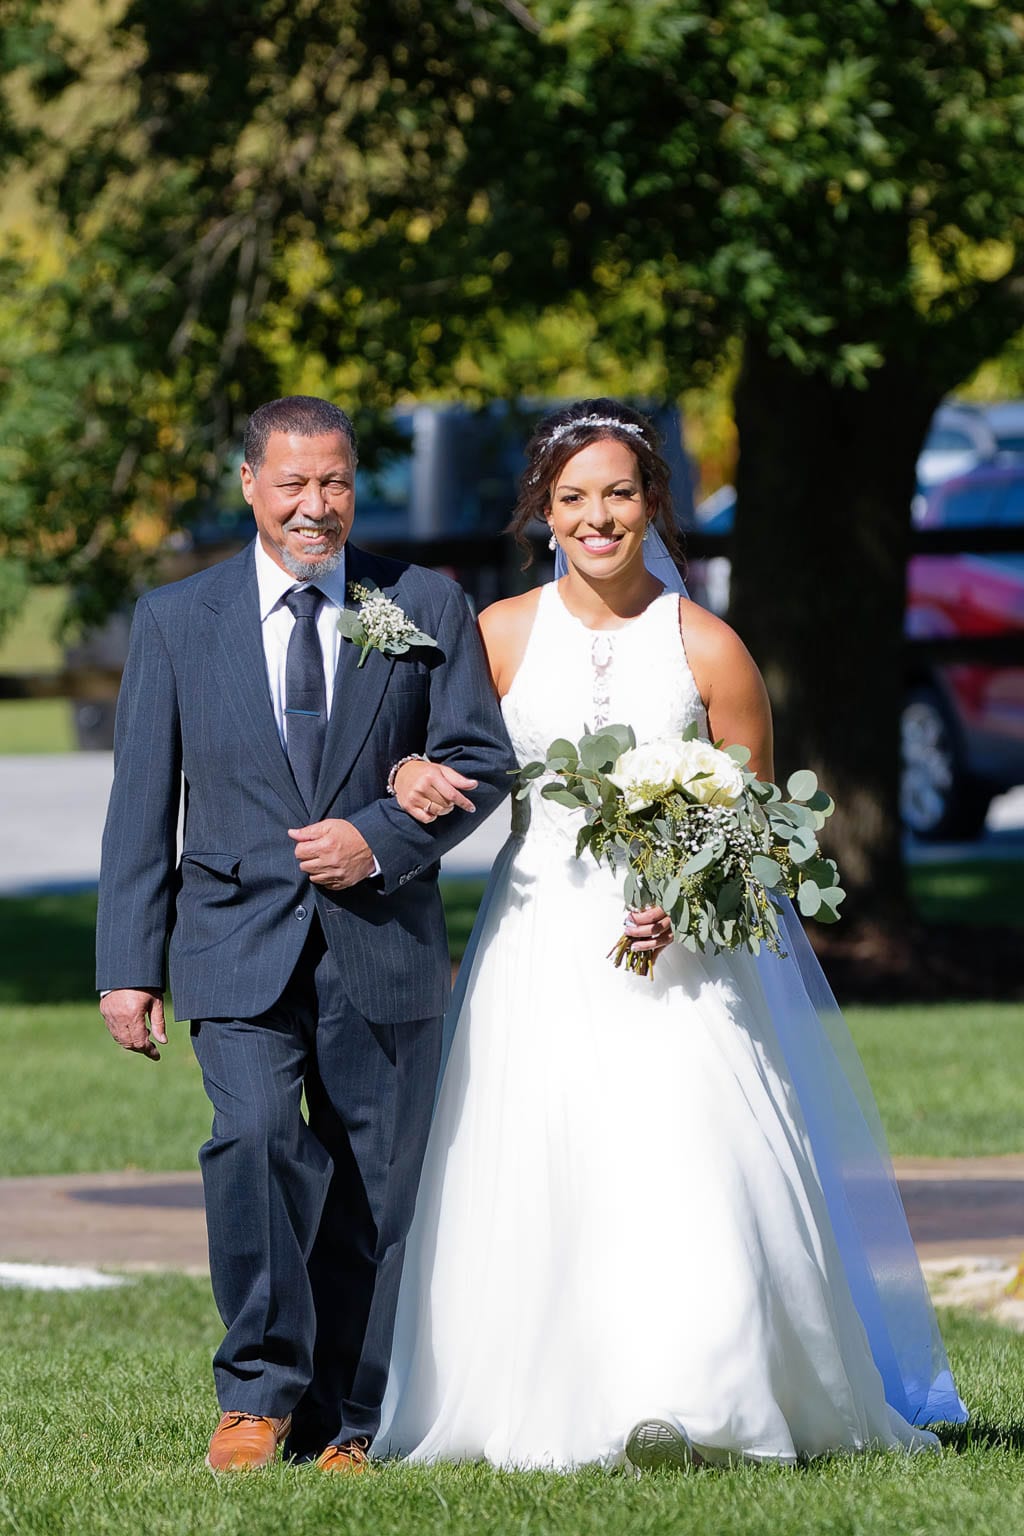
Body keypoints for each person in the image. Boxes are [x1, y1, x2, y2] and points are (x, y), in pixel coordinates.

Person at [375, 398, 967, 1471]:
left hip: (688, 952)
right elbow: (433, 760)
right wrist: (408, 770)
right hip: (540, 933)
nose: (596, 517)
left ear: (653, 504)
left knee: (687, 1153)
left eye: (618, 494)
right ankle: (539, 1401)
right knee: (541, 1154)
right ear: (541, 513)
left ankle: (711, 1395)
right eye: (572, 499)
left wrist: (690, 898)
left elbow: (759, 825)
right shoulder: (499, 635)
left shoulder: (709, 646)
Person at [96, 395, 516, 1474]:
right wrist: (127, 969)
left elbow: (480, 762)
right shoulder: (176, 620)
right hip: (230, 942)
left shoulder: (422, 601)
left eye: (334, 482)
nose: (314, 506)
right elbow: (141, 805)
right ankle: (258, 1395)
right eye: (292, 484)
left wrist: (378, 840)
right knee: (253, 1141)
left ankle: (356, 1418)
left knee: (377, 1186)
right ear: (249, 486)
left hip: (381, 947)